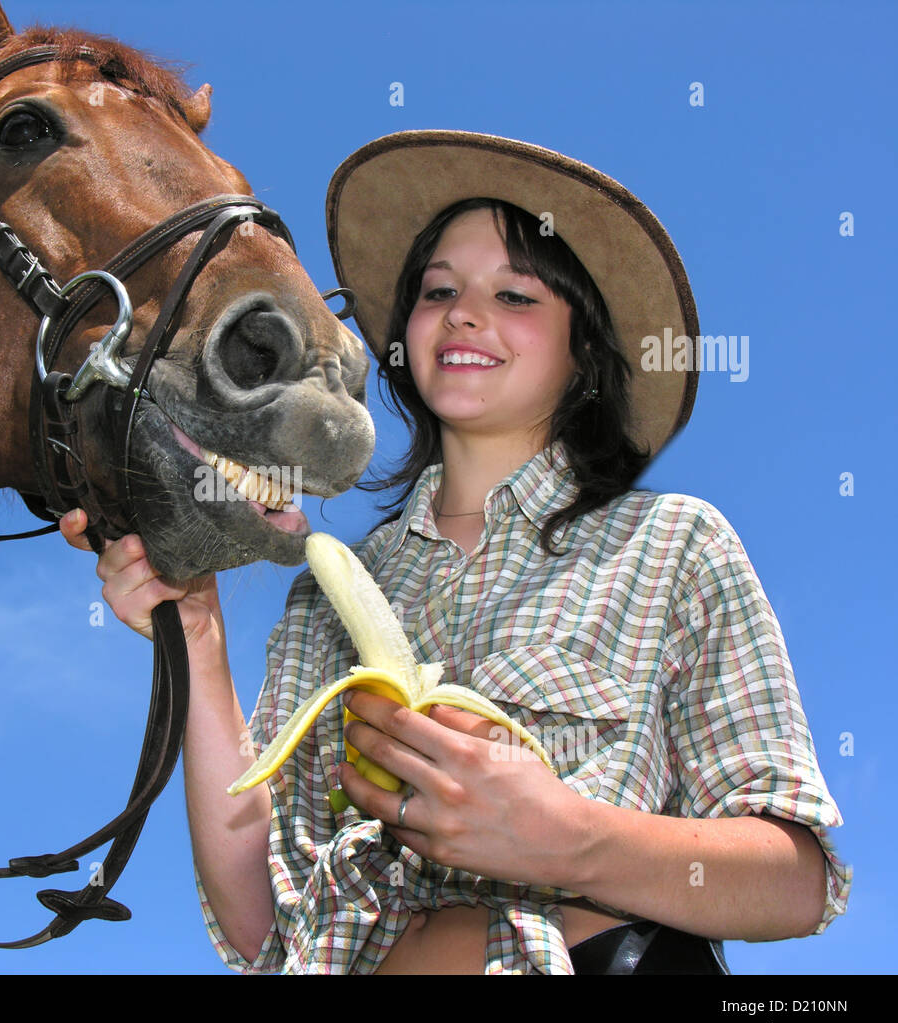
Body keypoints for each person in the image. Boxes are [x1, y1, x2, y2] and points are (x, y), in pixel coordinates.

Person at [60, 130, 850, 974]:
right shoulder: (323, 597)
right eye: (440, 291)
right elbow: (263, 929)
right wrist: (202, 641)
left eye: (517, 296)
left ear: (585, 355)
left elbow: (797, 884)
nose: (466, 313)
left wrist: (567, 841)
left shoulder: (673, 545)